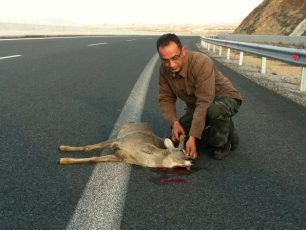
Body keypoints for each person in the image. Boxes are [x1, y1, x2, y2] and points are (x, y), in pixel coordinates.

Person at [157, 33, 242, 160]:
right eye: (165, 60)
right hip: (199, 106)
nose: (171, 65)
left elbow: (204, 102)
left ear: (183, 52)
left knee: (213, 112)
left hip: (224, 99)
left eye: (175, 58)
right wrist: (174, 123)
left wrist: (193, 137)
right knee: (177, 139)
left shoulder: (201, 62)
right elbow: (166, 98)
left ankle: (223, 143)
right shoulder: (164, 70)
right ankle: (219, 129)